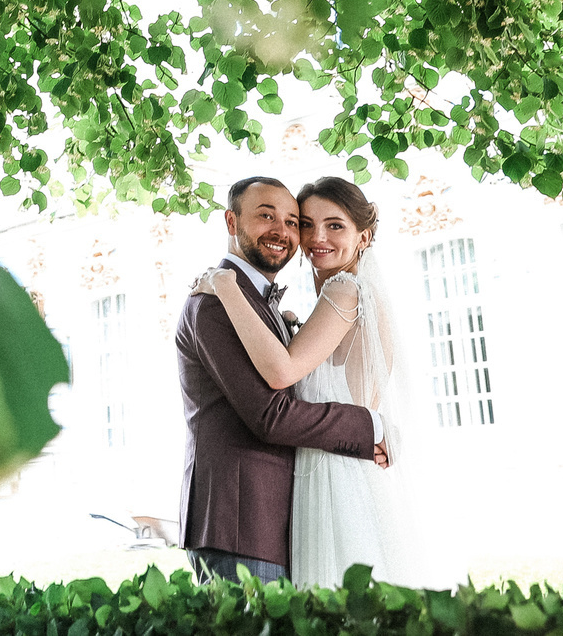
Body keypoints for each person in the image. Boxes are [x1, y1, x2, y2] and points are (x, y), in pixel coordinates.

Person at [197, 176, 460, 588]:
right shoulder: (344, 299)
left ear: (364, 237)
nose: (316, 236)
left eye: (335, 225)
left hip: (335, 479)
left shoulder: (344, 291)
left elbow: (283, 373)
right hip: (335, 471)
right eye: (307, 224)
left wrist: (225, 287)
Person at [175, 176, 389, 583]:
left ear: (363, 236)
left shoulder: (262, 302)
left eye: (293, 222)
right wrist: (371, 427)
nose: (286, 232)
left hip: (280, 519)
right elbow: (271, 416)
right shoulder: (216, 303)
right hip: (241, 524)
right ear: (231, 222)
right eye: (266, 216)